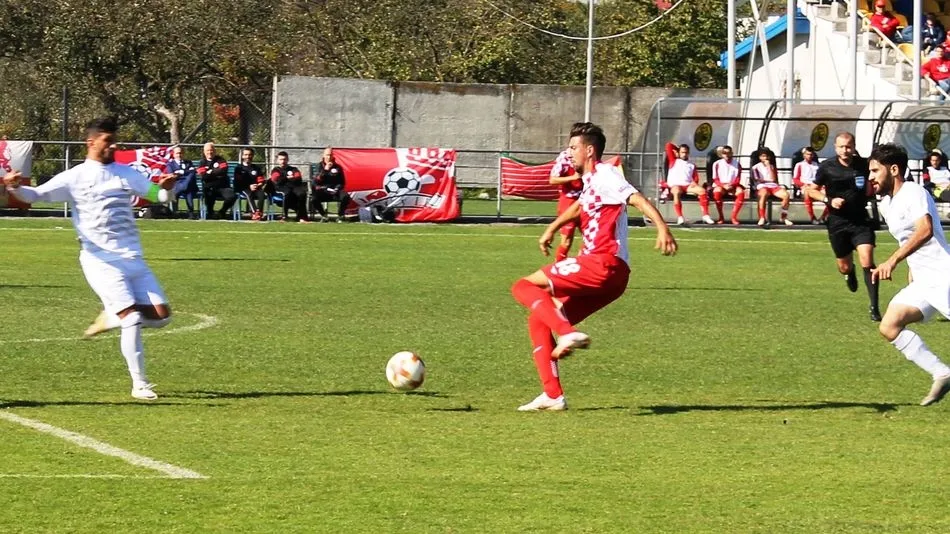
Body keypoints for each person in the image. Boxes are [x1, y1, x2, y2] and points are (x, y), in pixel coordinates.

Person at [1, 118, 176, 400]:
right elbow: (36, 194)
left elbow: (158, 194)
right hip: (100, 261)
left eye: (115, 140)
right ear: (91, 142)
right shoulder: (75, 176)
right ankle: (140, 384)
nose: (114, 146)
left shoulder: (125, 173)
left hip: (134, 259)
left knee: (161, 317)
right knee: (131, 319)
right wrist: (14, 187)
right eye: (108, 140)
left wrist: (167, 187)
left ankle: (111, 317)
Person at [511, 122, 677, 411]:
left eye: (573, 147)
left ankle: (566, 331)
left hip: (602, 264)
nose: (569, 152)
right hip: (613, 278)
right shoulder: (591, 181)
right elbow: (580, 206)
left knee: (523, 286)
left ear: (589, 150)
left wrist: (662, 228)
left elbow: (636, 198)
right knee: (539, 320)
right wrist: (552, 227)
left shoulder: (606, 174)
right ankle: (552, 395)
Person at [868, 143, 950, 406]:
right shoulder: (886, 204)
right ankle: (942, 373)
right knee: (889, 325)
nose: (870, 177)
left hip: (943, 275)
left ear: (893, 169)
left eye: (874, 170)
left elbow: (924, 230)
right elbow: (907, 237)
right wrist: (913, 269)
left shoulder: (913, 191)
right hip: (923, 281)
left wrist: (893, 260)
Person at [805, 132, 881, 321]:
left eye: (848, 146)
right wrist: (828, 200)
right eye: (841, 147)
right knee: (844, 266)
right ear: (835, 147)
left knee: (867, 260)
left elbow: (877, 179)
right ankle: (849, 273)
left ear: (854, 146)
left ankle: (874, 307)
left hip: (860, 220)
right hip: (838, 222)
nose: (845, 150)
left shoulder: (863, 165)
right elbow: (810, 190)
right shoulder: (827, 167)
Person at [664, 142, 714, 226]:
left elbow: (695, 178)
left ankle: (705, 215)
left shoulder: (692, 165)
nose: (684, 154)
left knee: (702, 191)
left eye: (686, 152)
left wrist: (694, 183)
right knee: (676, 191)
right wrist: (676, 149)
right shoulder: (674, 160)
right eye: (682, 152)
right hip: (676, 185)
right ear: (679, 153)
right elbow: (668, 145)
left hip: (687, 185)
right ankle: (680, 217)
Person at [548, 148, 583, 260]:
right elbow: (552, 179)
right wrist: (573, 177)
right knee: (567, 241)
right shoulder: (565, 158)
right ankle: (558, 267)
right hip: (568, 201)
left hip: (585, 199)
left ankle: (581, 266)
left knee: (591, 239)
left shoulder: (589, 157)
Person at [750, 147, 794, 227]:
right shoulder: (755, 167)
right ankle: (762, 217)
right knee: (763, 194)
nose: (765, 158)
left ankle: (784, 217)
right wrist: (767, 180)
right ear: (760, 157)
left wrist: (769, 167)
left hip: (773, 186)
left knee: (786, 195)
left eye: (767, 156)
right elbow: (758, 180)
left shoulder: (772, 167)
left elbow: (773, 178)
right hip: (762, 186)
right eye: (763, 156)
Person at [311, 147, 351, 223]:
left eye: (330, 155)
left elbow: (342, 182)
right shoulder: (318, 167)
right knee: (313, 198)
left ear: (333, 156)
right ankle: (324, 216)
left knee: (345, 196)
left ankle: (340, 216)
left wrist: (337, 188)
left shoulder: (338, 167)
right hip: (323, 191)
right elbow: (316, 181)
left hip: (335, 191)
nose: (329, 157)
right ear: (323, 155)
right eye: (327, 155)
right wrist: (325, 170)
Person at [269, 151, 310, 223]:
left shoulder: (293, 169)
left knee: (302, 193)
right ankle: (285, 216)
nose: (283, 161)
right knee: (287, 193)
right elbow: (276, 180)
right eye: (281, 159)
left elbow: (298, 177)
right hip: (281, 188)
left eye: (284, 159)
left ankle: (302, 217)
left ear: (287, 160)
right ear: (277, 160)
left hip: (294, 187)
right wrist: (287, 178)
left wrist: (291, 178)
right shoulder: (275, 170)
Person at [197, 142, 235, 219]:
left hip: (223, 187)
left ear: (214, 151)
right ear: (204, 152)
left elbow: (224, 170)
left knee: (232, 196)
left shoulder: (221, 160)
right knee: (208, 193)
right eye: (207, 150)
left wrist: (210, 172)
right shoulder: (202, 162)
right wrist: (217, 172)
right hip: (209, 187)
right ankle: (210, 213)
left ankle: (222, 212)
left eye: (211, 150)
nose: (209, 152)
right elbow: (204, 177)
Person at [711, 145, 745, 225]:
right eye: (724, 153)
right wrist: (723, 185)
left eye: (728, 153)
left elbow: (738, 178)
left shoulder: (737, 164)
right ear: (722, 154)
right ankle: (721, 216)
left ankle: (734, 217)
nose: (726, 155)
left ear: (732, 153)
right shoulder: (716, 164)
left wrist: (732, 185)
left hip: (732, 185)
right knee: (717, 192)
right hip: (721, 185)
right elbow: (715, 179)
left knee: (741, 192)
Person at [793, 146, 826, 224]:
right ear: (804, 155)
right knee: (807, 193)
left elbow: (820, 178)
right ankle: (812, 217)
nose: (809, 156)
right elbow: (795, 179)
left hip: (816, 186)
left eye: (811, 154)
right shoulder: (799, 165)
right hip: (805, 186)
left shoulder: (816, 165)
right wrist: (803, 184)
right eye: (807, 154)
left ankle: (823, 217)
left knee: (830, 194)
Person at [232, 147, 265, 220]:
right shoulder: (239, 168)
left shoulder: (256, 168)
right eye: (246, 155)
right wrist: (249, 186)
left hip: (256, 187)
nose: (248, 157)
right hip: (243, 188)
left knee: (262, 195)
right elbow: (238, 181)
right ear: (242, 156)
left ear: (252, 156)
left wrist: (258, 185)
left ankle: (259, 212)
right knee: (249, 194)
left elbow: (261, 180)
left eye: (250, 155)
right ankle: (254, 213)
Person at [166, 145, 198, 219]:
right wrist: (186, 172)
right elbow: (172, 175)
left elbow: (193, 171)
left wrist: (181, 172)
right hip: (176, 184)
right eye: (177, 153)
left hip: (188, 185)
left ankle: (180, 213)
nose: (179, 155)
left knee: (188, 188)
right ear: (173, 154)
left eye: (180, 153)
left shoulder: (188, 162)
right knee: (187, 189)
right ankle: (191, 213)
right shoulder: (170, 164)